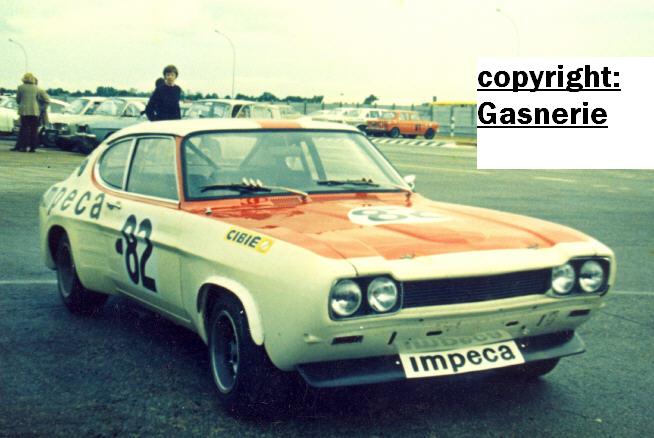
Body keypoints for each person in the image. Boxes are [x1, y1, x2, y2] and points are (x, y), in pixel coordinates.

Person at [14, 73, 50, 152]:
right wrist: (41, 108)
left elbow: (18, 100)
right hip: (35, 111)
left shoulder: (20, 87)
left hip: (24, 111)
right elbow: (47, 100)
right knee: (34, 130)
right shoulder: (37, 88)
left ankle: (23, 147)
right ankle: (33, 148)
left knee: (24, 129)